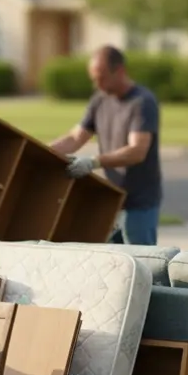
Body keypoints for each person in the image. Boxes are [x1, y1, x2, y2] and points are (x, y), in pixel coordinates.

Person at [47, 45, 163, 246]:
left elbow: (137, 151)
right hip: (112, 201)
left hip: (139, 202)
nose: (97, 84)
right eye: (94, 79)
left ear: (120, 71)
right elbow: (75, 137)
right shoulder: (99, 100)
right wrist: (42, 151)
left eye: (101, 78)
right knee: (112, 260)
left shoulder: (142, 102)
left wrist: (93, 162)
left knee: (142, 260)